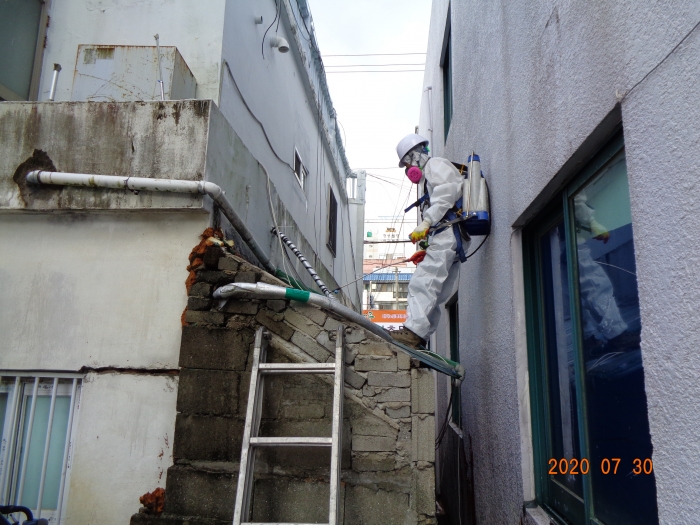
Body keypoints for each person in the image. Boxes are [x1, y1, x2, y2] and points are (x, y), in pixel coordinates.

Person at [391, 134, 467, 349]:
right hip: (450, 234)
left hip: (449, 231)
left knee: (422, 282)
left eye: (407, 164)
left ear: (414, 156)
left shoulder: (435, 165)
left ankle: (413, 332)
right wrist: (425, 248)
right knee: (437, 290)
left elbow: (447, 193)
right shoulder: (428, 177)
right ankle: (420, 336)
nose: (408, 170)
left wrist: (426, 222)